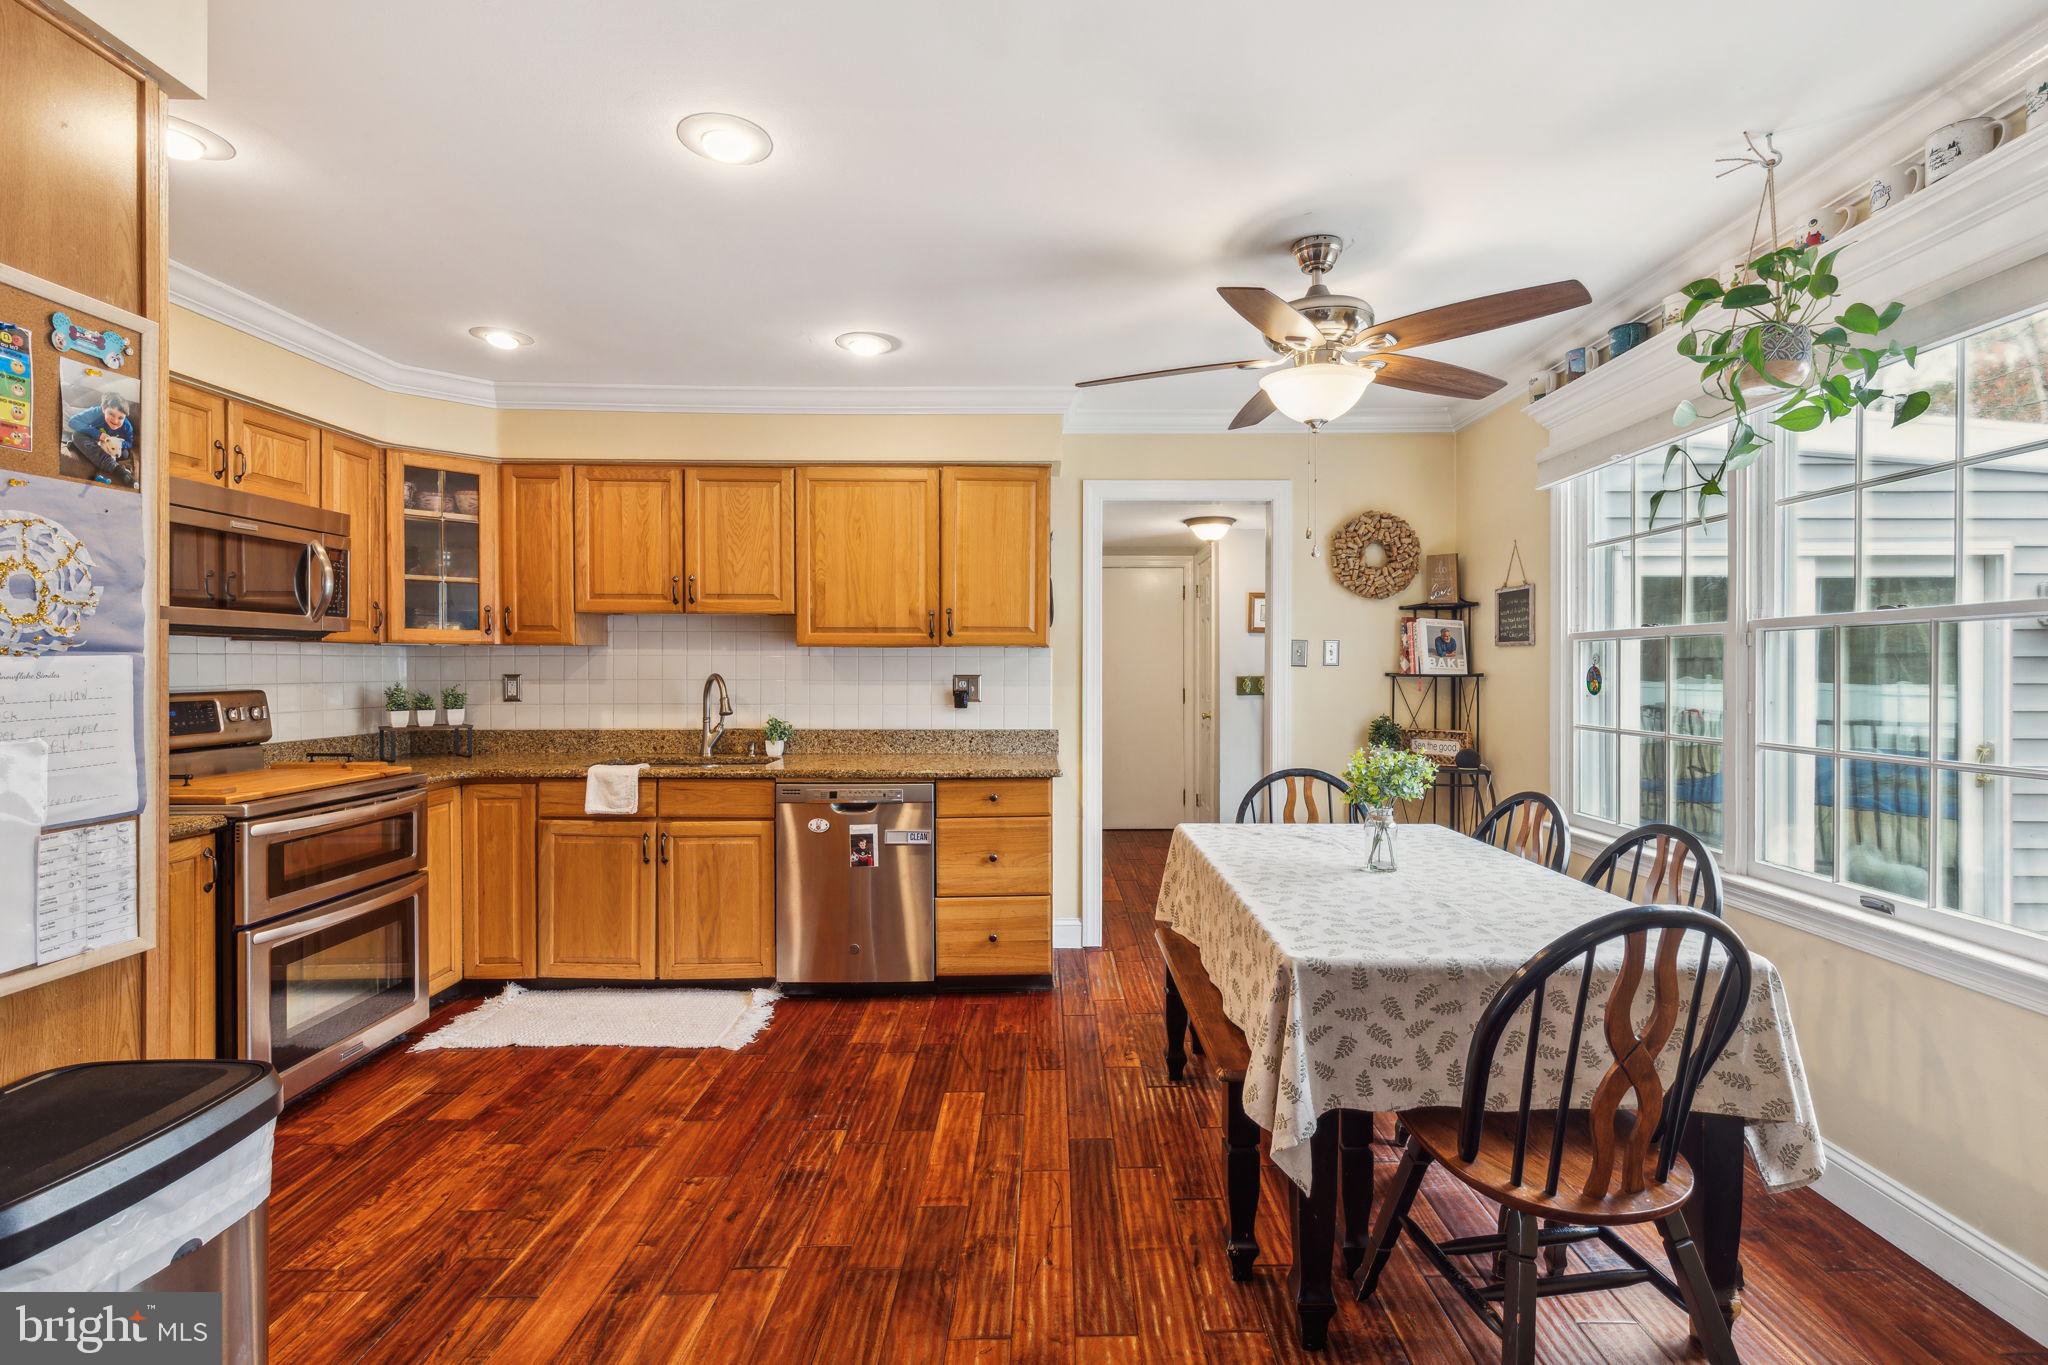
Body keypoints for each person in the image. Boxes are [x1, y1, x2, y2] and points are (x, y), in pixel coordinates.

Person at [65, 392, 138, 486]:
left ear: (125, 417)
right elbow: (72, 421)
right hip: (94, 441)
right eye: (111, 414)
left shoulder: (127, 426)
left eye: (120, 418)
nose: (115, 421)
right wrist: (99, 435)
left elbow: (129, 443)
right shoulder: (96, 412)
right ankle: (116, 469)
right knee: (77, 435)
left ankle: (77, 449)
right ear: (103, 409)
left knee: (125, 454)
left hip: (110, 448)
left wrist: (118, 443)